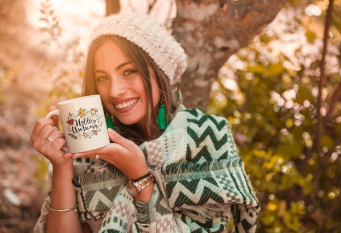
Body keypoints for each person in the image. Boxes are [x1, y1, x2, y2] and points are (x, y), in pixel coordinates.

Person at [31, 12, 260, 233]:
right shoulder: (88, 149)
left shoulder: (207, 136)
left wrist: (140, 178)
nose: (115, 91)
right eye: (102, 78)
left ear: (160, 71)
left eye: (129, 71)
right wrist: (62, 167)